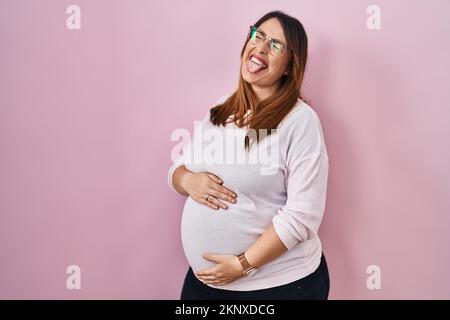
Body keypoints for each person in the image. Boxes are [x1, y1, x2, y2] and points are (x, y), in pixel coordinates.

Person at [168, 10, 330, 300]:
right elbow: (180, 168)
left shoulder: (300, 121)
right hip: (206, 284)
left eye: (276, 45)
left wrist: (243, 265)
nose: (261, 47)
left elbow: (302, 216)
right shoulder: (222, 108)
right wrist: (187, 181)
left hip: (275, 287)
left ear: (290, 67)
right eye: (258, 35)